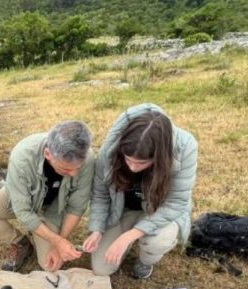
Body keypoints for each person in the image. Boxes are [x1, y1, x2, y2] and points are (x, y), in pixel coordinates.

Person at [83, 103, 197, 279]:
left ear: (160, 156)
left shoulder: (186, 147)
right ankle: (127, 234)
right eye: (128, 160)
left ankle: (145, 260)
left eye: (142, 163)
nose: (133, 168)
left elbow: (176, 202)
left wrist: (129, 236)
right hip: (122, 210)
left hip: (159, 209)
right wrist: (97, 228)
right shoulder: (110, 149)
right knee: (101, 269)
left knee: (158, 241)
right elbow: (100, 194)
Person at [0, 120, 94, 272]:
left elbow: (76, 207)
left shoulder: (87, 158)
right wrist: (57, 241)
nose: (74, 173)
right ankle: (22, 243)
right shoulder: (22, 156)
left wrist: (59, 242)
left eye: (78, 168)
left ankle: (41, 230)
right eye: (65, 169)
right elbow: (23, 211)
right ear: (48, 154)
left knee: (50, 266)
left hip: (53, 209)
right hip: (25, 200)